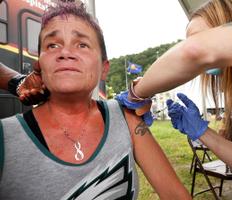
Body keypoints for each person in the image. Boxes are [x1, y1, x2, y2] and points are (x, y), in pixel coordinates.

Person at [0, 1, 191, 200]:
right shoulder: (5, 137)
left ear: (104, 68)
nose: (65, 53)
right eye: (52, 45)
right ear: (39, 63)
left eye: (82, 44)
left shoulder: (125, 118)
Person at [116, 0, 232, 199]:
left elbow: (195, 51)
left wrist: (137, 93)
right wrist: (202, 131)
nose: (197, 62)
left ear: (229, 24)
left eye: (201, 37)